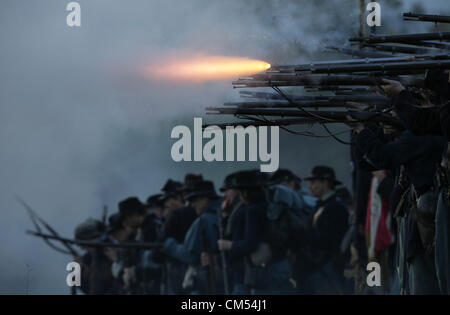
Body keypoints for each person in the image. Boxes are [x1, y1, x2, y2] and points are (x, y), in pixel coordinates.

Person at [162, 180, 222, 294]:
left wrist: (170, 245)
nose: (192, 204)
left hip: (209, 280)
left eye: (195, 200)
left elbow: (189, 255)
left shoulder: (204, 220)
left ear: (205, 199)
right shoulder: (223, 214)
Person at [304, 166, 350, 294]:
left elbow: (331, 239)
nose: (310, 186)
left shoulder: (335, 206)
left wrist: (304, 238)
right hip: (319, 266)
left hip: (329, 266)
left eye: (313, 182)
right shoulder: (322, 205)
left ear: (325, 182)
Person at [73, 218, 106, 294]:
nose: (83, 248)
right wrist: (78, 271)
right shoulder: (88, 258)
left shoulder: (110, 254)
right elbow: (88, 289)